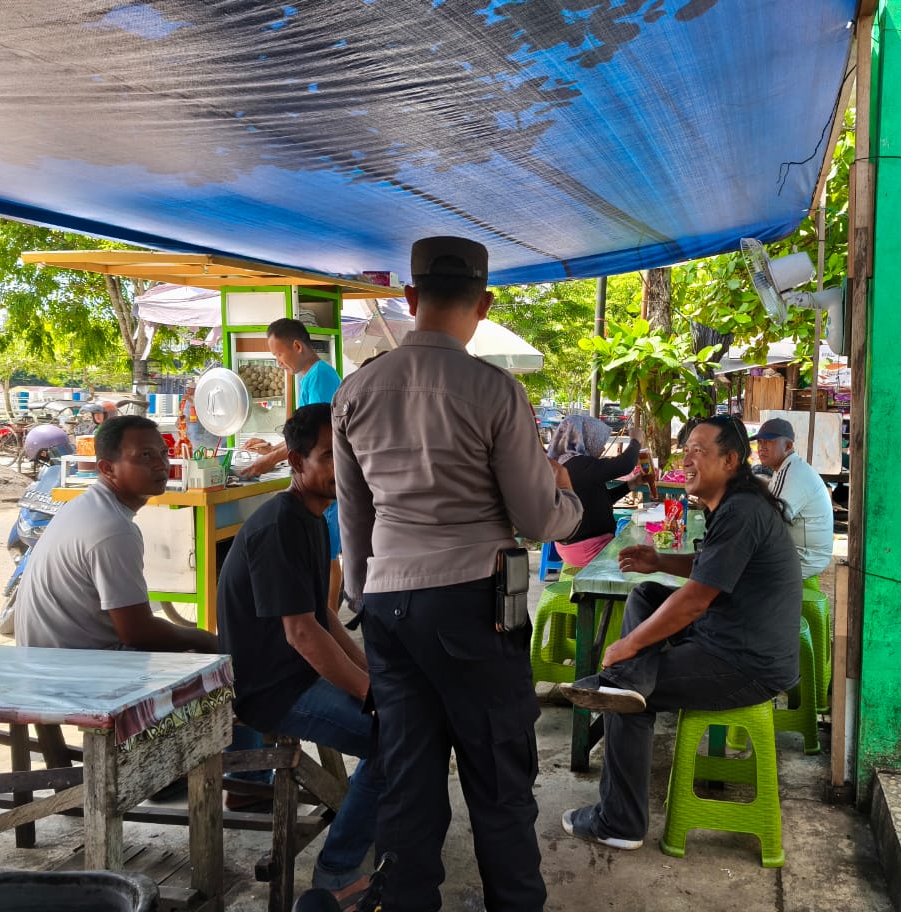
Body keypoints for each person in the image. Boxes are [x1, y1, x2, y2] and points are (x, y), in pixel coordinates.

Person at [333, 234, 583, 912]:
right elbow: (537, 518)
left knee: (408, 785)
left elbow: (354, 524)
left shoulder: (356, 390)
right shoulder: (495, 390)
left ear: (410, 298)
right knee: (499, 783)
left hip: (386, 608)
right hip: (475, 606)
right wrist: (569, 499)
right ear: (485, 302)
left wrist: (367, 599)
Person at [560, 415, 801, 850]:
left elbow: (694, 600)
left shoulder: (742, 511)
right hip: (728, 640)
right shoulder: (731, 505)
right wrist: (659, 562)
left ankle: (619, 822)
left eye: (699, 451)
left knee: (624, 700)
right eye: (685, 449)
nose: (687, 459)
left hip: (747, 663)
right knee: (647, 594)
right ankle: (628, 681)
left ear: (730, 460)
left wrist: (627, 644)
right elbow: (710, 569)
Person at [217, 403, 379, 906]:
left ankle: (367, 821)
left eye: (350, 456)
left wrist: (372, 675)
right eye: (331, 457)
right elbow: (303, 635)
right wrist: (372, 695)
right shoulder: (280, 526)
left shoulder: (311, 518)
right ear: (295, 462)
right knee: (399, 738)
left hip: (299, 673)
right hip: (272, 689)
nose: (343, 468)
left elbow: (325, 615)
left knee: (405, 717)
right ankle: (336, 873)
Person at [14, 415, 218, 653]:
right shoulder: (113, 529)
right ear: (107, 468)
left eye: (163, 454)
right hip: (73, 674)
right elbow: (139, 634)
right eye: (145, 455)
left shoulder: (89, 506)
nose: (161, 464)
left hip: (54, 662)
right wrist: (206, 640)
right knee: (205, 654)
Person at [244, 317, 344, 609]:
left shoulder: (321, 376)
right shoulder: (308, 377)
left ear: (297, 346)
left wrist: (266, 462)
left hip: (325, 477)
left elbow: (314, 435)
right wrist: (272, 449)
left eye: (279, 354)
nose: (278, 363)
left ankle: (329, 620)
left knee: (327, 555)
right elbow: (299, 434)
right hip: (314, 476)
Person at [547, 415, 640, 567]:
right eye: (599, 441)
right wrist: (636, 441)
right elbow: (626, 464)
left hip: (573, 547)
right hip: (586, 548)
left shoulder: (564, 463)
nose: (603, 448)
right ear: (585, 439)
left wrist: (631, 484)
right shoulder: (578, 464)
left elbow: (600, 501)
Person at [749, 417, 835, 580]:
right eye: (760, 442)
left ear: (788, 446)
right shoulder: (782, 469)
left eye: (768, 442)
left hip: (804, 557)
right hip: (800, 552)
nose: (761, 448)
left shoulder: (793, 472)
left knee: (740, 570)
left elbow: (772, 519)